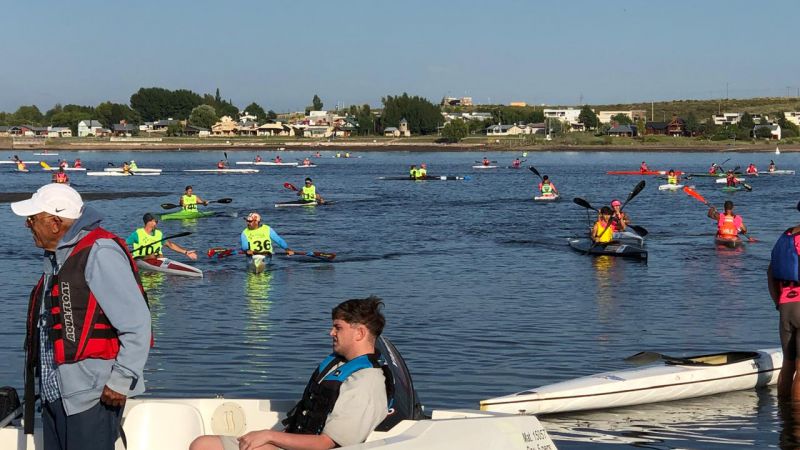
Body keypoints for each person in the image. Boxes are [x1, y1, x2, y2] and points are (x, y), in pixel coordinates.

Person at [11, 184, 151, 449]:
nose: (27, 225)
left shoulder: (100, 253)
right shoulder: (58, 259)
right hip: (56, 394)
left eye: (32, 219)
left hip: (92, 396)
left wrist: (120, 381)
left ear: (54, 222)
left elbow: (137, 324)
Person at [190, 297, 392, 450]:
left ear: (360, 333)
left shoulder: (367, 381)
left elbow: (326, 442)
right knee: (203, 444)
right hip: (297, 442)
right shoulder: (338, 365)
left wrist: (269, 436)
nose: (331, 333)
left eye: (338, 327)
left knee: (204, 446)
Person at [768, 208, 800, 400]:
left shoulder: (785, 236)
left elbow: (770, 273)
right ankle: (797, 423)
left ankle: (783, 418)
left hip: (785, 306)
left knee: (788, 364)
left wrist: (777, 303)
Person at [126, 213, 198, 260]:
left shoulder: (158, 234)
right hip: (139, 259)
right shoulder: (137, 234)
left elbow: (170, 245)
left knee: (160, 256)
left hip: (157, 259)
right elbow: (123, 244)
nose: (157, 223)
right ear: (149, 222)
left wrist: (186, 252)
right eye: (156, 221)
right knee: (152, 255)